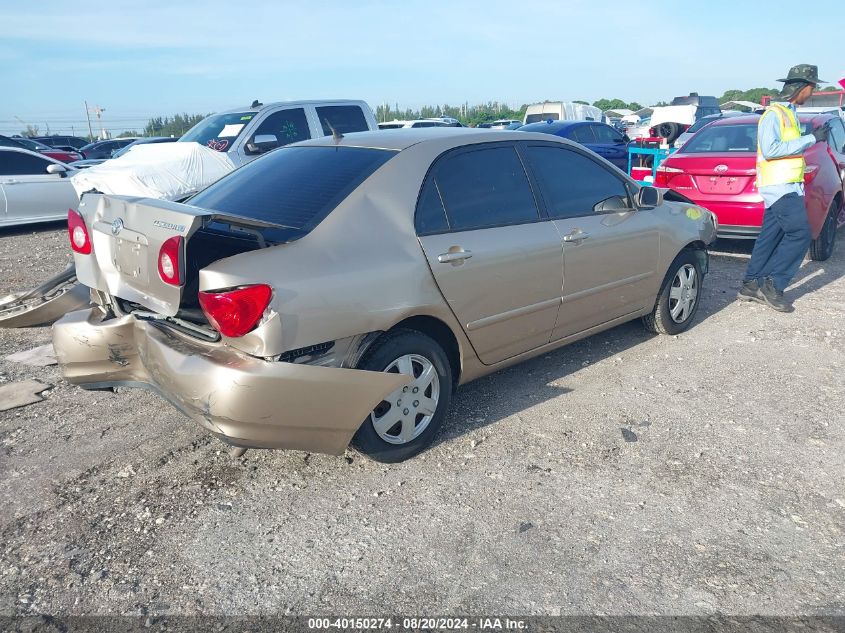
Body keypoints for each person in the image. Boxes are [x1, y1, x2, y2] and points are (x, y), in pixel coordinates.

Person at [738, 64, 830, 312]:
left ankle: (750, 284)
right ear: (801, 87)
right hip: (779, 186)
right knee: (801, 234)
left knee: (771, 236)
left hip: (785, 185)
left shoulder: (789, 113)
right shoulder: (773, 115)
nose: (811, 94)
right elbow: (771, 150)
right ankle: (773, 285)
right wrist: (812, 139)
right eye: (811, 88)